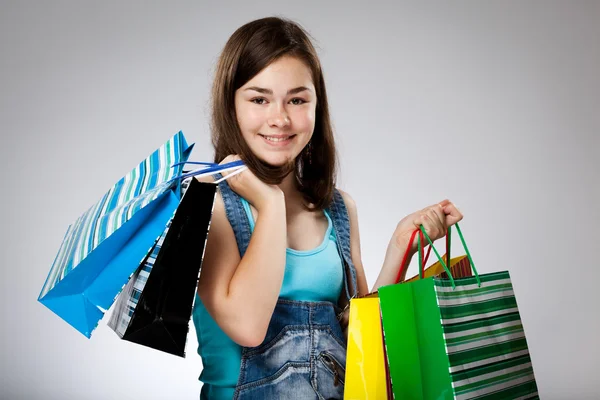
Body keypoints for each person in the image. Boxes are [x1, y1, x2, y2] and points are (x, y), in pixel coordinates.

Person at [191, 16, 463, 400]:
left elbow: (356, 340)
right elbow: (248, 327)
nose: (280, 118)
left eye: (298, 99)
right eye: (259, 99)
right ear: (231, 105)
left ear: (317, 107)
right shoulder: (209, 207)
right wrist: (270, 205)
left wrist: (398, 248)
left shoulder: (336, 208)